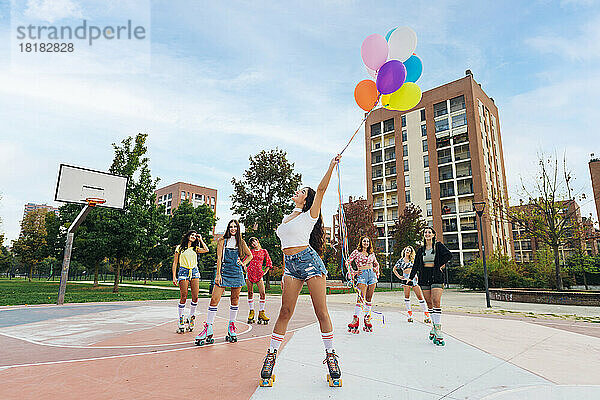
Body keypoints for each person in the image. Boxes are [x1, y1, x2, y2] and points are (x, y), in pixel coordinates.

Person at [260, 155, 342, 388]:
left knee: (321, 312)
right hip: (291, 267)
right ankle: (271, 356)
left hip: (309, 263)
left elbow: (321, 188)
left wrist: (331, 166)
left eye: (300, 191)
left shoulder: (310, 215)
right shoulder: (288, 217)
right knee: (285, 311)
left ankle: (331, 356)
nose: (296, 192)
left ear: (307, 199)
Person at [194, 220, 253, 345]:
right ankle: (208, 327)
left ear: (238, 229)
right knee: (214, 300)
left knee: (235, 299)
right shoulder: (222, 241)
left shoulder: (241, 242)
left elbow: (250, 255)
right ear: (228, 228)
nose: (233, 229)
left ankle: (231, 326)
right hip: (224, 272)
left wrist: (243, 263)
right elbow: (219, 258)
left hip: (236, 272)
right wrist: (218, 274)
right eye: (231, 227)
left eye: (235, 227)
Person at [408, 227, 452, 346]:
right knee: (429, 303)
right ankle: (434, 326)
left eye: (429, 232)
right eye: (425, 232)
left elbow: (449, 255)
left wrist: (439, 264)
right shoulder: (421, 250)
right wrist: (410, 278)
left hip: (436, 275)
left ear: (433, 235)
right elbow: (416, 265)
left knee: (436, 300)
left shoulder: (438, 246)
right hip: (424, 276)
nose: (427, 234)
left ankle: (438, 328)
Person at [172, 230, 209, 333]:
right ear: (187, 236)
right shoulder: (179, 248)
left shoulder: (195, 248)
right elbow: (175, 263)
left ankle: (191, 317)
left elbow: (206, 249)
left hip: (194, 272)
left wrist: (200, 239)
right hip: (183, 272)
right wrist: (174, 276)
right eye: (192, 235)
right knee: (183, 296)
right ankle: (181, 320)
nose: (193, 236)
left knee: (195, 297)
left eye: (194, 235)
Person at [345, 236, 379, 333]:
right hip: (362, 275)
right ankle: (355, 319)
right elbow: (347, 262)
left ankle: (367, 319)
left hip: (372, 276)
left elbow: (376, 263)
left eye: (368, 241)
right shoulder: (356, 252)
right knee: (360, 298)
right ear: (361, 242)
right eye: (364, 241)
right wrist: (354, 272)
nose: (366, 243)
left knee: (369, 299)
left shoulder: (371, 253)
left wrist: (377, 270)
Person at [392, 246, 431, 323]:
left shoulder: (413, 260)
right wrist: (400, 277)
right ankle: (410, 315)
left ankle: (427, 315)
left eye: (409, 251)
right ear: (404, 251)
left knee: (420, 297)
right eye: (407, 250)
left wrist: (417, 276)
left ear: (411, 253)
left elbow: (418, 268)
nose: (408, 252)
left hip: (413, 278)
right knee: (407, 297)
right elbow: (394, 269)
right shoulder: (400, 260)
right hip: (405, 278)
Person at [246, 237, 273, 325]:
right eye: (252, 243)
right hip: (250, 273)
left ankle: (261, 313)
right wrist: (245, 267)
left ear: (257, 241)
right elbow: (245, 261)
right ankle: (251, 312)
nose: (253, 243)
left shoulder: (264, 251)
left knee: (262, 293)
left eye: (254, 241)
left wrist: (265, 271)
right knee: (250, 292)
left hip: (259, 274)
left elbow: (269, 262)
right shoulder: (250, 252)